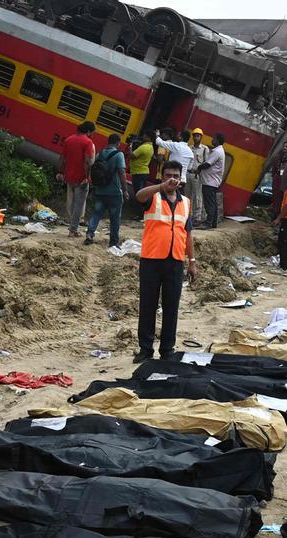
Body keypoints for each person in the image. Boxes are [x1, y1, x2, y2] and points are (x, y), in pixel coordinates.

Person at [132, 160, 197, 362]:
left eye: (176, 176)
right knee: (148, 305)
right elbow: (138, 196)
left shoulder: (185, 202)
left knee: (171, 306)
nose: (172, 179)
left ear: (181, 178)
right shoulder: (153, 196)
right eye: (168, 175)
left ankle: (167, 349)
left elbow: (188, 233)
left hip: (175, 260)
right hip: (151, 259)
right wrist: (160, 187)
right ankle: (145, 349)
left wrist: (192, 260)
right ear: (162, 176)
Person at [84, 134, 129, 247]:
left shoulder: (100, 154)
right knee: (114, 217)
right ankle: (113, 242)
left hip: (100, 190)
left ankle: (89, 233)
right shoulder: (119, 155)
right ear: (118, 143)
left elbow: (93, 168)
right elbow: (122, 173)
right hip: (114, 192)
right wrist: (125, 190)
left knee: (96, 213)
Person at [57, 121, 95, 236]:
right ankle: (73, 231)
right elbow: (88, 161)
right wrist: (87, 177)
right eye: (92, 132)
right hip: (81, 178)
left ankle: (71, 225)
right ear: (88, 131)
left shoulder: (68, 140)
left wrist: (60, 172)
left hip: (69, 177)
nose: (93, 134)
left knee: (71, 202)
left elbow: (62, 158)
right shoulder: (88, 142)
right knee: (79, 204)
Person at [198, 132, 226, 228]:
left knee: (209, 203)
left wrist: (199, 167)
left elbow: (207, 164)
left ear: (217, 140)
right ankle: (213, 223)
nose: (212, 140)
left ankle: (208, 223)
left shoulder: (217, 152)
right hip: (212, 181)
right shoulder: (219, 150)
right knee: (212, 202)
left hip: (210, 181)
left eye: (213, 138)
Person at [186, 128, 207, 222]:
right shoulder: (189, 148)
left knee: (197, 196)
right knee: (187, 195)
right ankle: (187, 215)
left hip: (197, 175)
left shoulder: (205, 149)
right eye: (194, 135)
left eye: (198, 136)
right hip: (188, 173)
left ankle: (197, 217)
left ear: (201, 137)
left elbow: (207, 163)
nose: (196, 137)